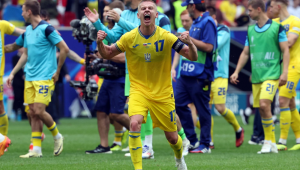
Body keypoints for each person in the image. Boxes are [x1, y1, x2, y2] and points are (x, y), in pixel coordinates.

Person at [96, 0, 197, 169]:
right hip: (139, 90)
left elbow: (192, 56)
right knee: (134, 123)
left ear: (156, 15)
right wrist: (100, 43)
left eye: (151, 8)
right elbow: (107, 53)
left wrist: (191, 43)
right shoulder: (129, 37)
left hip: (163, 93)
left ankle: (179, 159)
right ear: (139, 15)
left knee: (172, 138)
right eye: (143, 8)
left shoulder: (166, 36)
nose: (147, 10)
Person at [7, 0, 69, 158]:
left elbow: (64, 49)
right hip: (30, 78)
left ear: (29, 12)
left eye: (22, 10)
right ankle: (36, 150)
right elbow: (20, 51)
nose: (21, 13)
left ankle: (57, 136)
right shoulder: (28, 31)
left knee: (40, 111)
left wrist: (58, 71)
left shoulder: (47, 29)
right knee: (32, 113)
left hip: (44, 77)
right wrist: (13, 73)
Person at [230, 0, 289, 154]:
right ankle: (270, 142)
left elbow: (285, 51)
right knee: (262, 110)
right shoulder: (250, 30)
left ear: (258, 9)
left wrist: (285, 72)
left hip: (272, 75)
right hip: (257, 76)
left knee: (264, 105)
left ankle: (270, 141)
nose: (248, 14)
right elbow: (245, 53)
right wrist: (236, 71)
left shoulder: (277, 28)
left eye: (249, 11)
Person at [175, 0, 217, 154]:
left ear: (193, 6)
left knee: (202, 109)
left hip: (201, 74)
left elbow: (209, 47)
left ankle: (205, 144)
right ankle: (192, 140)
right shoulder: (196, 22)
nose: (187, 9)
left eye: (187, 6)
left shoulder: (208, 22)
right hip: (186, 72)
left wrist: (189, 40)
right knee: (178, 104)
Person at [206, 6, 244, 149]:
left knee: (220, 108)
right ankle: (209, 140)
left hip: (220, 75)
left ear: (214, 18)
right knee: (205, 109)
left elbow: (213, 46)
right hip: (206, 75)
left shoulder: (223, 30)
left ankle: (238, 129)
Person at [269, 0, 300, 151]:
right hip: (280, 66)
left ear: (279, 6)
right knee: (291, 104)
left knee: (282, 101)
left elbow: (291, 42)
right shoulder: (273, 22)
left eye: (272, 6)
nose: (270, 9)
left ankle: (282, 141)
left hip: (293, 66)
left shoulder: (295, 21)